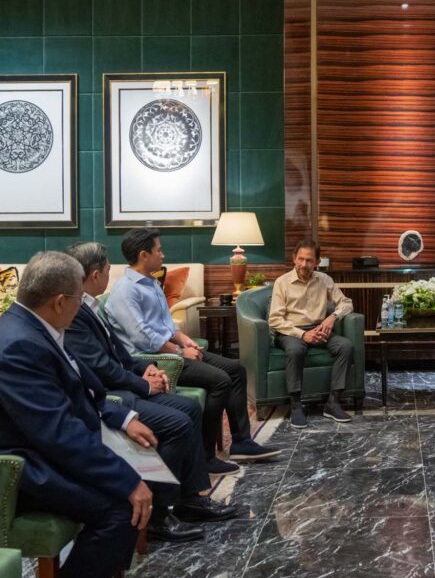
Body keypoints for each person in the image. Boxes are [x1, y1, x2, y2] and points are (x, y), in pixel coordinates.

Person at [0, 252, 154, 578]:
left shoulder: (35, 326)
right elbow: (58, 434)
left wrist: (121, 419)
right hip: (12, 466)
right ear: (59, 302)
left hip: (39, 447)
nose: (81, 306)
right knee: (122, 507)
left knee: (137, 475)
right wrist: (127, 481)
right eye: (79, 298)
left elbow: (84, 390)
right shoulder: (19, 346)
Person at [64, 242, 240, 541]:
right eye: (107, 269)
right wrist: (143, 383)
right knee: (177, 423)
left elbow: (118, 353)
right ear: (95, 275)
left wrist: (145, 368)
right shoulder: (76, 312)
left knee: (190, 408)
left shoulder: (91, 305)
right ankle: (158, 515)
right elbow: (100, 367)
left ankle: (190, 500)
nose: (110, 273)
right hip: (112, 395)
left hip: (125, 382)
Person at [104, 228, 280, 474]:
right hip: (154, 360)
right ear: (144, 255)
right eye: (158, 250)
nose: (163, 255)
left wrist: (186, 340)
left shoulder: (152, 282)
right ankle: (205, 457)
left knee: (236, 369)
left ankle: (241, 442)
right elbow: (142, 336)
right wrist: (179, 351)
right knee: (220, 380)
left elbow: (166, 324)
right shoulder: (126, 290)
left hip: (170, 350)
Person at [268, 239, 354, 427]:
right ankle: (296, 405)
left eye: (309, 260)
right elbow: (275, 320)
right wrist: (302, 335)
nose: (304, 264)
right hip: (290, 331)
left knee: (345, 346)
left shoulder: (325, 280)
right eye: (300, 259)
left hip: (318, 329)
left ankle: (333, 402)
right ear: (294, 258)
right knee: (295, 350)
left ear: (317, 262)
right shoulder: (282, 282)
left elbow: (347, 303)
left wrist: (332, 318)